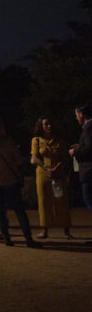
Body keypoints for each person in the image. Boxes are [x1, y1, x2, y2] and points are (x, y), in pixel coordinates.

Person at [0, 117, 40, 247]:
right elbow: (18, 160)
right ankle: (28, 238)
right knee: (19, 209)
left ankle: (7, 238)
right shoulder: (8, 142)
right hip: (10, 179)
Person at [30, 117, 72, 239]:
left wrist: (56, 168)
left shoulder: (58, 140)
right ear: (41, 126)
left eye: (50, 123)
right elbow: (34, 159)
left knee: (61, 200)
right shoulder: (36, 140)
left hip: (58, 174)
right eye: (46, 124)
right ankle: (45, 229)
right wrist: (46, 168)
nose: (49, 126)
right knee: (44, 201)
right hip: (43, 174)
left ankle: (66, 229)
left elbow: (64, 157)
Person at [68, 105, 92, 244]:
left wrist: (75, 152)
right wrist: (79, 146)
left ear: (81, 114)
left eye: (76, 114)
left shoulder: (88, 128)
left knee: (89, 199)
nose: (76, 117)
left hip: (89, 171)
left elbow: (89, 150)